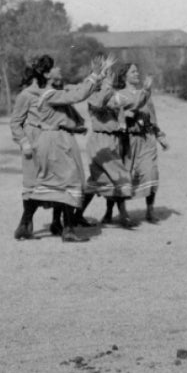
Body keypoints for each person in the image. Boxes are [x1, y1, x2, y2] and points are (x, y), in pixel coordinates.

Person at [13, 55, 110, 242]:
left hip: (51, 140)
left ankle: (33, 226)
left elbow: (73, 93)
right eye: (54, 67)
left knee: (50, 183)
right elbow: (77, 95)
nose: (59, 69)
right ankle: (67, 229)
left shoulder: (45, 92)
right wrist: (95, 75)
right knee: (70, 180)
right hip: (52, 142)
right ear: (46, 73)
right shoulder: (46, 94)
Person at [81, 63, 151, 227]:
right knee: (119, 176)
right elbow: (100, 103)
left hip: (113, 140)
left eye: (109, 74)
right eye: (105, 74)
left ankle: (77, 214)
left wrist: (145, 91)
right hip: (100, 140)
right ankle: (124, 215)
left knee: (98, 180)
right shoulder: (94, 93)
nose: (108, 77)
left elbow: (129, 103)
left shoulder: (110, 94)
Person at [114, 63, 167, 225]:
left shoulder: (145, 95)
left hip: (146, 139)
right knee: (125, 176)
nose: (137, 74)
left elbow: (152, 116)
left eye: (138, 71)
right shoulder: (119, 95)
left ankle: (150, 210)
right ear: (124, 76)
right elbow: (121, 115)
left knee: (151, 172)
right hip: (128, 141)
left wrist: (160, 135)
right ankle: (122, 211)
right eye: (133, 71)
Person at [10, 55, 54, 241]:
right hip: (32, 142)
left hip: (48, 142)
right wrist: (24, 142)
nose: (50, 74)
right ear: (40, 73)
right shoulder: (26, 95)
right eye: (47, 71)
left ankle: (28, 225)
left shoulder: (49, 93)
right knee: (32, 184)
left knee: (49, 181)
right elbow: (15, 122)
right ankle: (24, 225)